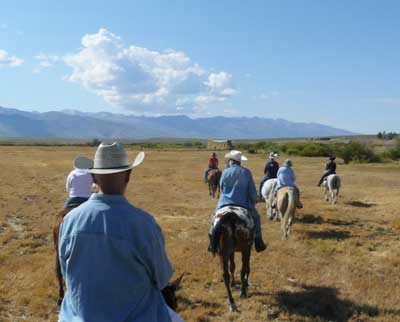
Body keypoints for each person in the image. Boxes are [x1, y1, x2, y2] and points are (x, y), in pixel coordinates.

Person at [58, 142, 183, 322]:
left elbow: (66, 273)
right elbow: (162, 279)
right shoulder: (144, 224)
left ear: (93, 177)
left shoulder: (69, 221)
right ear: (128, 176)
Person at [208, 150, 267, 253]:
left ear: (232, 161)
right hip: (243, 205)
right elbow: (252, 192)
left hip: (224, 203)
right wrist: (255, 200)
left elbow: (221, 187)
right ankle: (258, 242)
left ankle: (212, 242)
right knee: (256, 218)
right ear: (239, 161)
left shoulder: (225, 171)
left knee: (213, 217)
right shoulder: (246, 172)